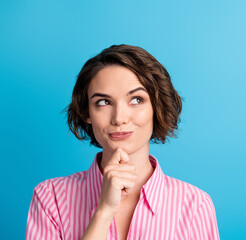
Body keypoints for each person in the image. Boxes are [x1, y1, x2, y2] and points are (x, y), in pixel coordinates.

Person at [25, 44, 220, 240]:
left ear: (156, 107)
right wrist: (104, 211)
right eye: (103, 102)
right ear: (87, 113)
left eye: (136, 100)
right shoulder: (51, 198)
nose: (119, 118)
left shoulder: (194, 205)